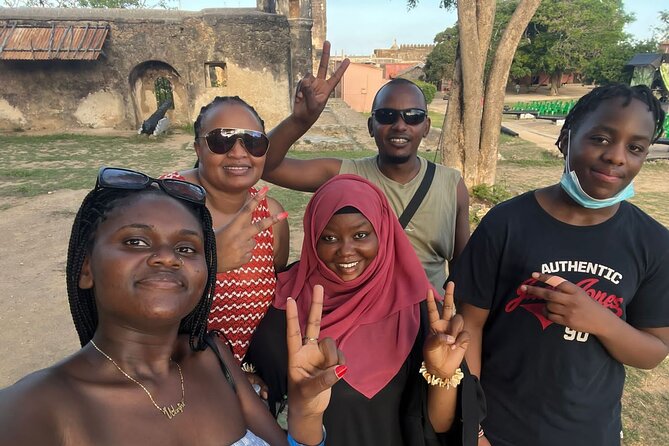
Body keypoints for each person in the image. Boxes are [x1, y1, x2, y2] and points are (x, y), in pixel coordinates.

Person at [0, 167, 345, 445]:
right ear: (86, 267)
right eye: (136, 241)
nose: (166, 257)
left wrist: (306, 416)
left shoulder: (215, 358)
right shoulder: (33, 410)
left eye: (186, 248)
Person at [451, 84, 669, 446]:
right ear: (565, 140)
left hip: (590, 433)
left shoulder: (653, 243)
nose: (616, 157)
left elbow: (653, 351)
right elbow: (469, 325)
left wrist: (599, 320)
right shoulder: (505, 223)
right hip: (500, 427)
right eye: (600, 138)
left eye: (635, 148)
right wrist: (474, 427)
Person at [246, 175, 483, 446]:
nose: (345, 251)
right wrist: (244, 378)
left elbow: (440, 426)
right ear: (312, 238)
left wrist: (442, 375)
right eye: (329, 237)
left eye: (360, 235)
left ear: (383, 232)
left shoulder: (420, 314)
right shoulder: (283, 304)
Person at [162, 42, 347, 362]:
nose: (238, 152)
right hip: (175, 380)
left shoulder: (271, 217)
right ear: (197, 148)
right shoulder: (164, 200)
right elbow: (133, 290)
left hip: (250, 384)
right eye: (221, 140)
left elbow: (273, 298)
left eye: (253, 141)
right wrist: (208, 256)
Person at [262, 78, 470, 291]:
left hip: (426, 319)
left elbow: (464, 271)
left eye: (413, 117)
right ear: (371, 126)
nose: (399, 126)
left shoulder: (452, 186)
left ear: (426, 127)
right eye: (386, 116)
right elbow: (265, 166)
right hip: (360, 318)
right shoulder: (345, 175)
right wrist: (299, 122)